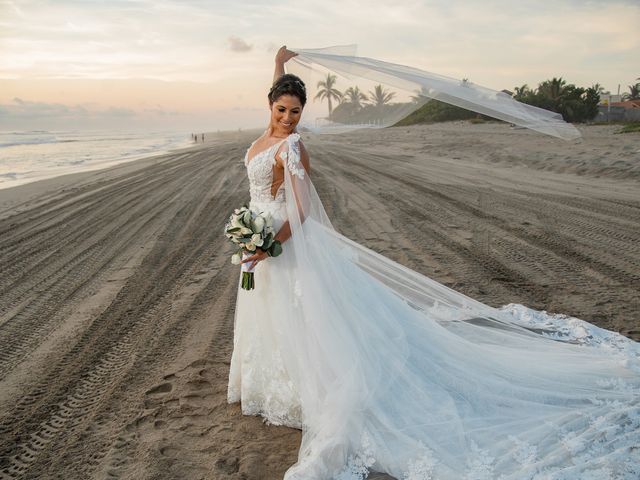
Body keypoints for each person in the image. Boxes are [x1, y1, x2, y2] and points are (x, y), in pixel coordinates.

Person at [227, 46, 640, 479]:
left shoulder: (291, 147)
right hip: (262, 232)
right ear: (270, 104)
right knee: (278, 315)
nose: (288, 118)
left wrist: (265, 244)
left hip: (283, 240)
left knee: (310, 316)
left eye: (295, 111)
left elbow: (302, 209)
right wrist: (280, 62)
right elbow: (274, 95)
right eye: (282, 109)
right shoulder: (263, 137)